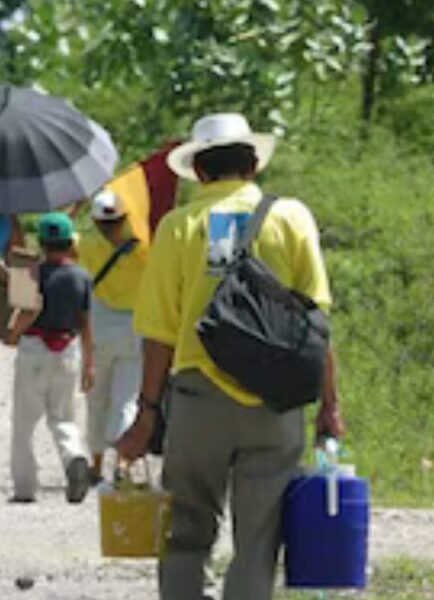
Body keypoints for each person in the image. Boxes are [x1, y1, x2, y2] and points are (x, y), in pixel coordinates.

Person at [116, 112, 345, 600]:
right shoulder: (290, 217)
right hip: (275, 402)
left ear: (198, 171)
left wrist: (146, 413)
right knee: (259, 539)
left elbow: (158, 332)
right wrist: (330, 407)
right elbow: (317, 322)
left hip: (198, 402)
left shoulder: (178, 227)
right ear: (254, 166)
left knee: (185, 533)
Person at [6, 212, 93, 504]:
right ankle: (74, 457)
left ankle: (25, 488)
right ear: (70, 242)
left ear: (41, 243)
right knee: (63, 418)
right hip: (68, 350)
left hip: (34, 349)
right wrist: (89, 364)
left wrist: (12, 335)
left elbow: (26, 311)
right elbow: (86, 323)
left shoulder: (30, 273)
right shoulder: (81, 276)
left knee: (24, 424)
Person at [77, 190, 147, 483]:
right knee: (126, 399)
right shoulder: (143, 245)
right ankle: (123, 464)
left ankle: (95, 464)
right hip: (135, 326)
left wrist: (74, 209)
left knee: (97, 399)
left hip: (99, 325)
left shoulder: (87, 244)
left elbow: (54, 243)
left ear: (94, 221)